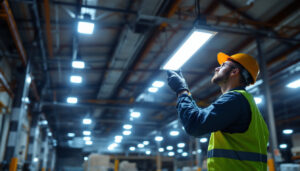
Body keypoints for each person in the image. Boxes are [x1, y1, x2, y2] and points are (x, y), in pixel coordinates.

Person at [167, 52, 269, 171]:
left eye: (223, 65)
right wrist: (185, 92)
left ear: (234, 71)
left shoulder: (235, 99)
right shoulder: (247, 103)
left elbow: (195, 124)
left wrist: (182, 90)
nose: (217, 68)